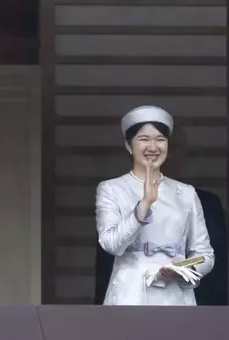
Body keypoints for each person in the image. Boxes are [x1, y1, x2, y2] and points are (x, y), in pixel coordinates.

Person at [95, 120, 228, 305]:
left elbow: (204, 254)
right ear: (128, 145)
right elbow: (111, 244)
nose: (153, 146)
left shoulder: (187, 193)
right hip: (129, 295)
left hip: (176, 297)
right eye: (143, 139)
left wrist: (183, 271)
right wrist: (144, 204)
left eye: (160, 139)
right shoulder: (112, 188)